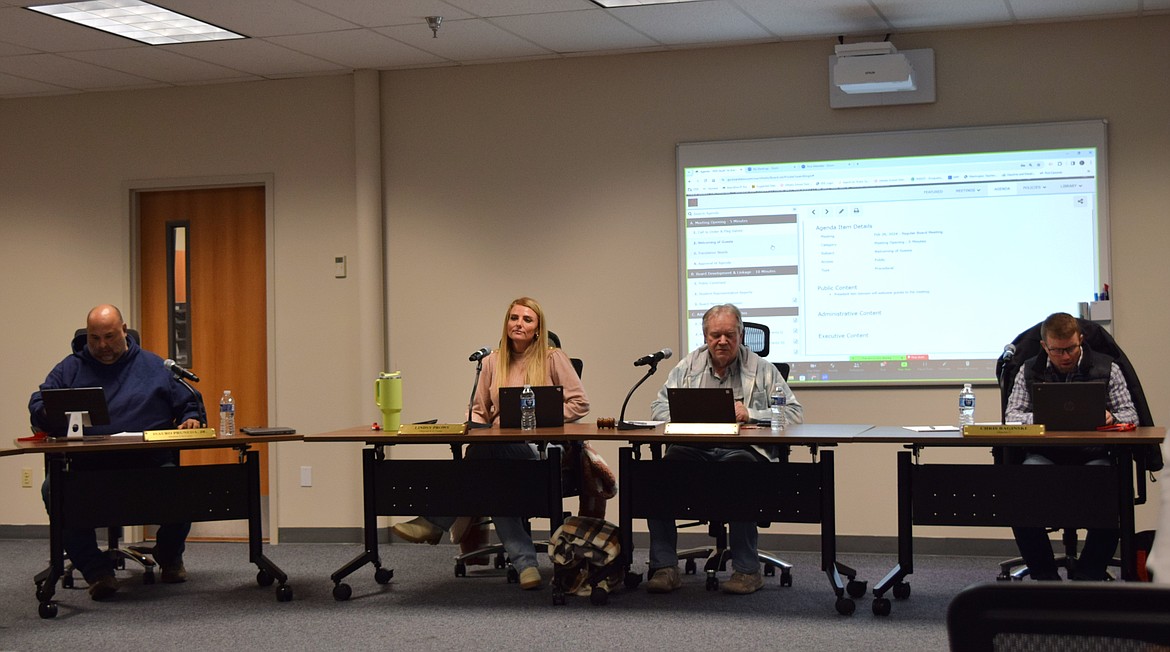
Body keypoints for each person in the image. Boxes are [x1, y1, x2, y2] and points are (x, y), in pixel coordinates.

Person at [391, 297, 590, 590]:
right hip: (500, 450)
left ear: (537, 328)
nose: (519, 324)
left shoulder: (552, 357)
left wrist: (543, 418)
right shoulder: (490, 361)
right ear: (506, 323)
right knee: (496, 479)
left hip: (541, 449)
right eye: (514, 318)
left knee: (483, 456)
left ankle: (434, 520)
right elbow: (478, 409)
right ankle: (526, 566)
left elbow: (580, 403)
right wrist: (477, 423)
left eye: (527, 319)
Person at [29, 305, 204, 601]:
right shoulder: (71, 368)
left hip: (148, 464)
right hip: (89, 467)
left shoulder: (154, 366)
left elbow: (188, 400)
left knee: (182, 484)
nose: (102, 346)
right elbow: (39, 401)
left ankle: (170, 555)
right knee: (53, 488)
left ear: (124, 330)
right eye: (94, 338)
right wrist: (49, 412)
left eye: (109, 336)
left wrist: (192, 417)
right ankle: (96, 571)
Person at [644, 303, 803, 595]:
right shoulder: (688, 366)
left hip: (741, 452)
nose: (722, 341)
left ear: (741, 335)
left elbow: (794, 414)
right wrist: (683, 414)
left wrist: (752, 413)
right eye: (716, 335)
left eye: (729, 334)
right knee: (659, 475)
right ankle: (665, 567)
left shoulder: (762, 369)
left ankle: (746, 571)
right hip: (694, 450)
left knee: (738, 470)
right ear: (705, 337)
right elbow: (657, 408)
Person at [1004, 311, 1137, 581]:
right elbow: (1012, 416)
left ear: (1081, 340)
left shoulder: (1107, 367)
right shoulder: (1028, 369)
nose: (1065, 356)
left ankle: (1088, 573)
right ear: (1045, 346)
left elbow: (1131, 415)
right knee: (1020, 493)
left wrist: (1111, 417)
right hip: (1045, 455)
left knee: (1113, 494)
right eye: (1057, 350)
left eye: (1071, 349)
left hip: (1094, 455)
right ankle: (1045, 576)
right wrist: (1044, 418)